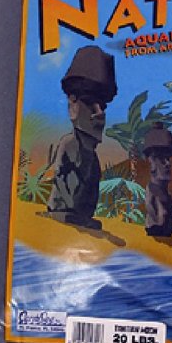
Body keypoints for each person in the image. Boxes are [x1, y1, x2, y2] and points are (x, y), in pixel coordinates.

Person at [46, 45, 117, 229]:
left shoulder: (93, 159)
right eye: (90, 103)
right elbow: (63, 184)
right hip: (64, 219)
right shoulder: (69, 144)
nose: (100, 113)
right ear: (72, 107)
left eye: (103, 106)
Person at [143, 122, 172, 237]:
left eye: (168, 159)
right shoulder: (152, 192)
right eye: (162, 159)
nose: (168, 164)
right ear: (151, 162)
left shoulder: (168, 197)